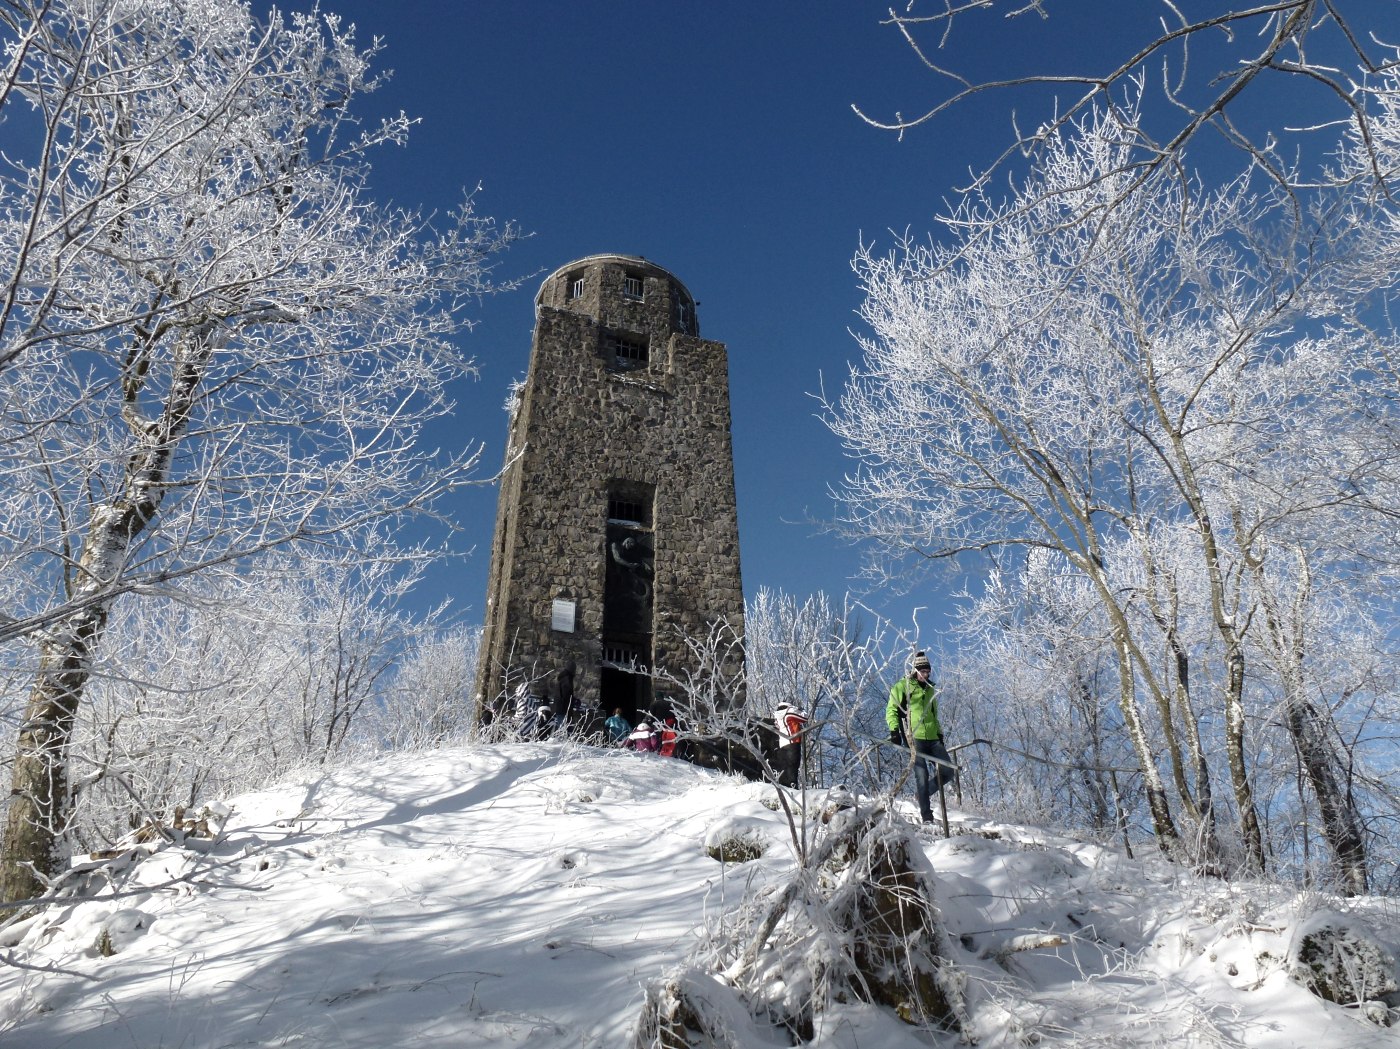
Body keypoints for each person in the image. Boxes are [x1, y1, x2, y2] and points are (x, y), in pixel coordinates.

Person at [886, 651, 955, 823]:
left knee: (948, 771)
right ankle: (927, 816)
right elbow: (892, 709)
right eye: (923, 671)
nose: (926, 674)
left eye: (928, 671)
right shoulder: (904, 686)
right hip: (914, 737)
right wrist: (895, 731)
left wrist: (939, 733)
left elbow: (933, 714)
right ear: (915, 670)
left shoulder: (931, 689)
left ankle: (921, 794)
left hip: (933, 738)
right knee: (921, 775)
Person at [773, 701, 807, 787]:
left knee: (785, 766)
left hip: (783, 743)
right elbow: (804, 718)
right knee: (793, 765)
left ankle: (785, 786)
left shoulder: (777, 715)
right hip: (793, 741)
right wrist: (800, 710)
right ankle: (793, 786)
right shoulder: (789, 712)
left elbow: (777, 726)